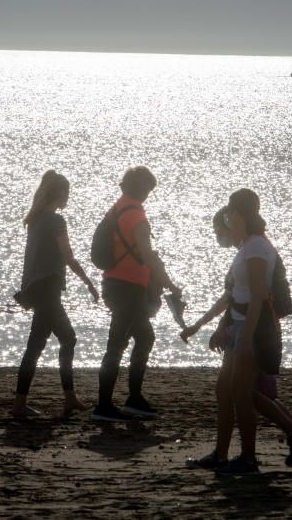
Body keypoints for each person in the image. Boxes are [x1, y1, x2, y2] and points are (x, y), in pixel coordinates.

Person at [183, 206, 292, 473]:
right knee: (228, 391)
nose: (222, 230)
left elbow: (260, 297)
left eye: (227, 220)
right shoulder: (246, 249)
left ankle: (251, 457)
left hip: (253, 332)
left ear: (240, 217)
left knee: (243, 393)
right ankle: (224, 455)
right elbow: (235, 297)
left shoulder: (256, 248)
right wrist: (202, 325)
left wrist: (246, 337)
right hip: (239, 329)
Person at [92, 166, 183, 422]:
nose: (148, 195)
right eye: (148, 190)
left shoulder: (119, 207)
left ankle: (133, 398)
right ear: (142, 188)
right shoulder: (137, 216)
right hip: (128, 288)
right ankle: (103, 406)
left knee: (145, 338)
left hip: (115, 283)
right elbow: (147, 255)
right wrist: (170, 284)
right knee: (117, 344)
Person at [12, 170, 100, 418]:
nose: (68, 197)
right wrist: (89, 283)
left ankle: (60, 398)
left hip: (38, 288)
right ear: (59, 193)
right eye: (67, 193)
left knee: (45, 343)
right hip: (48, 288)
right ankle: (49, 401)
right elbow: (68, 257)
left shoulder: (36, 219)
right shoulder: (55, 221)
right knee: (57, 341)